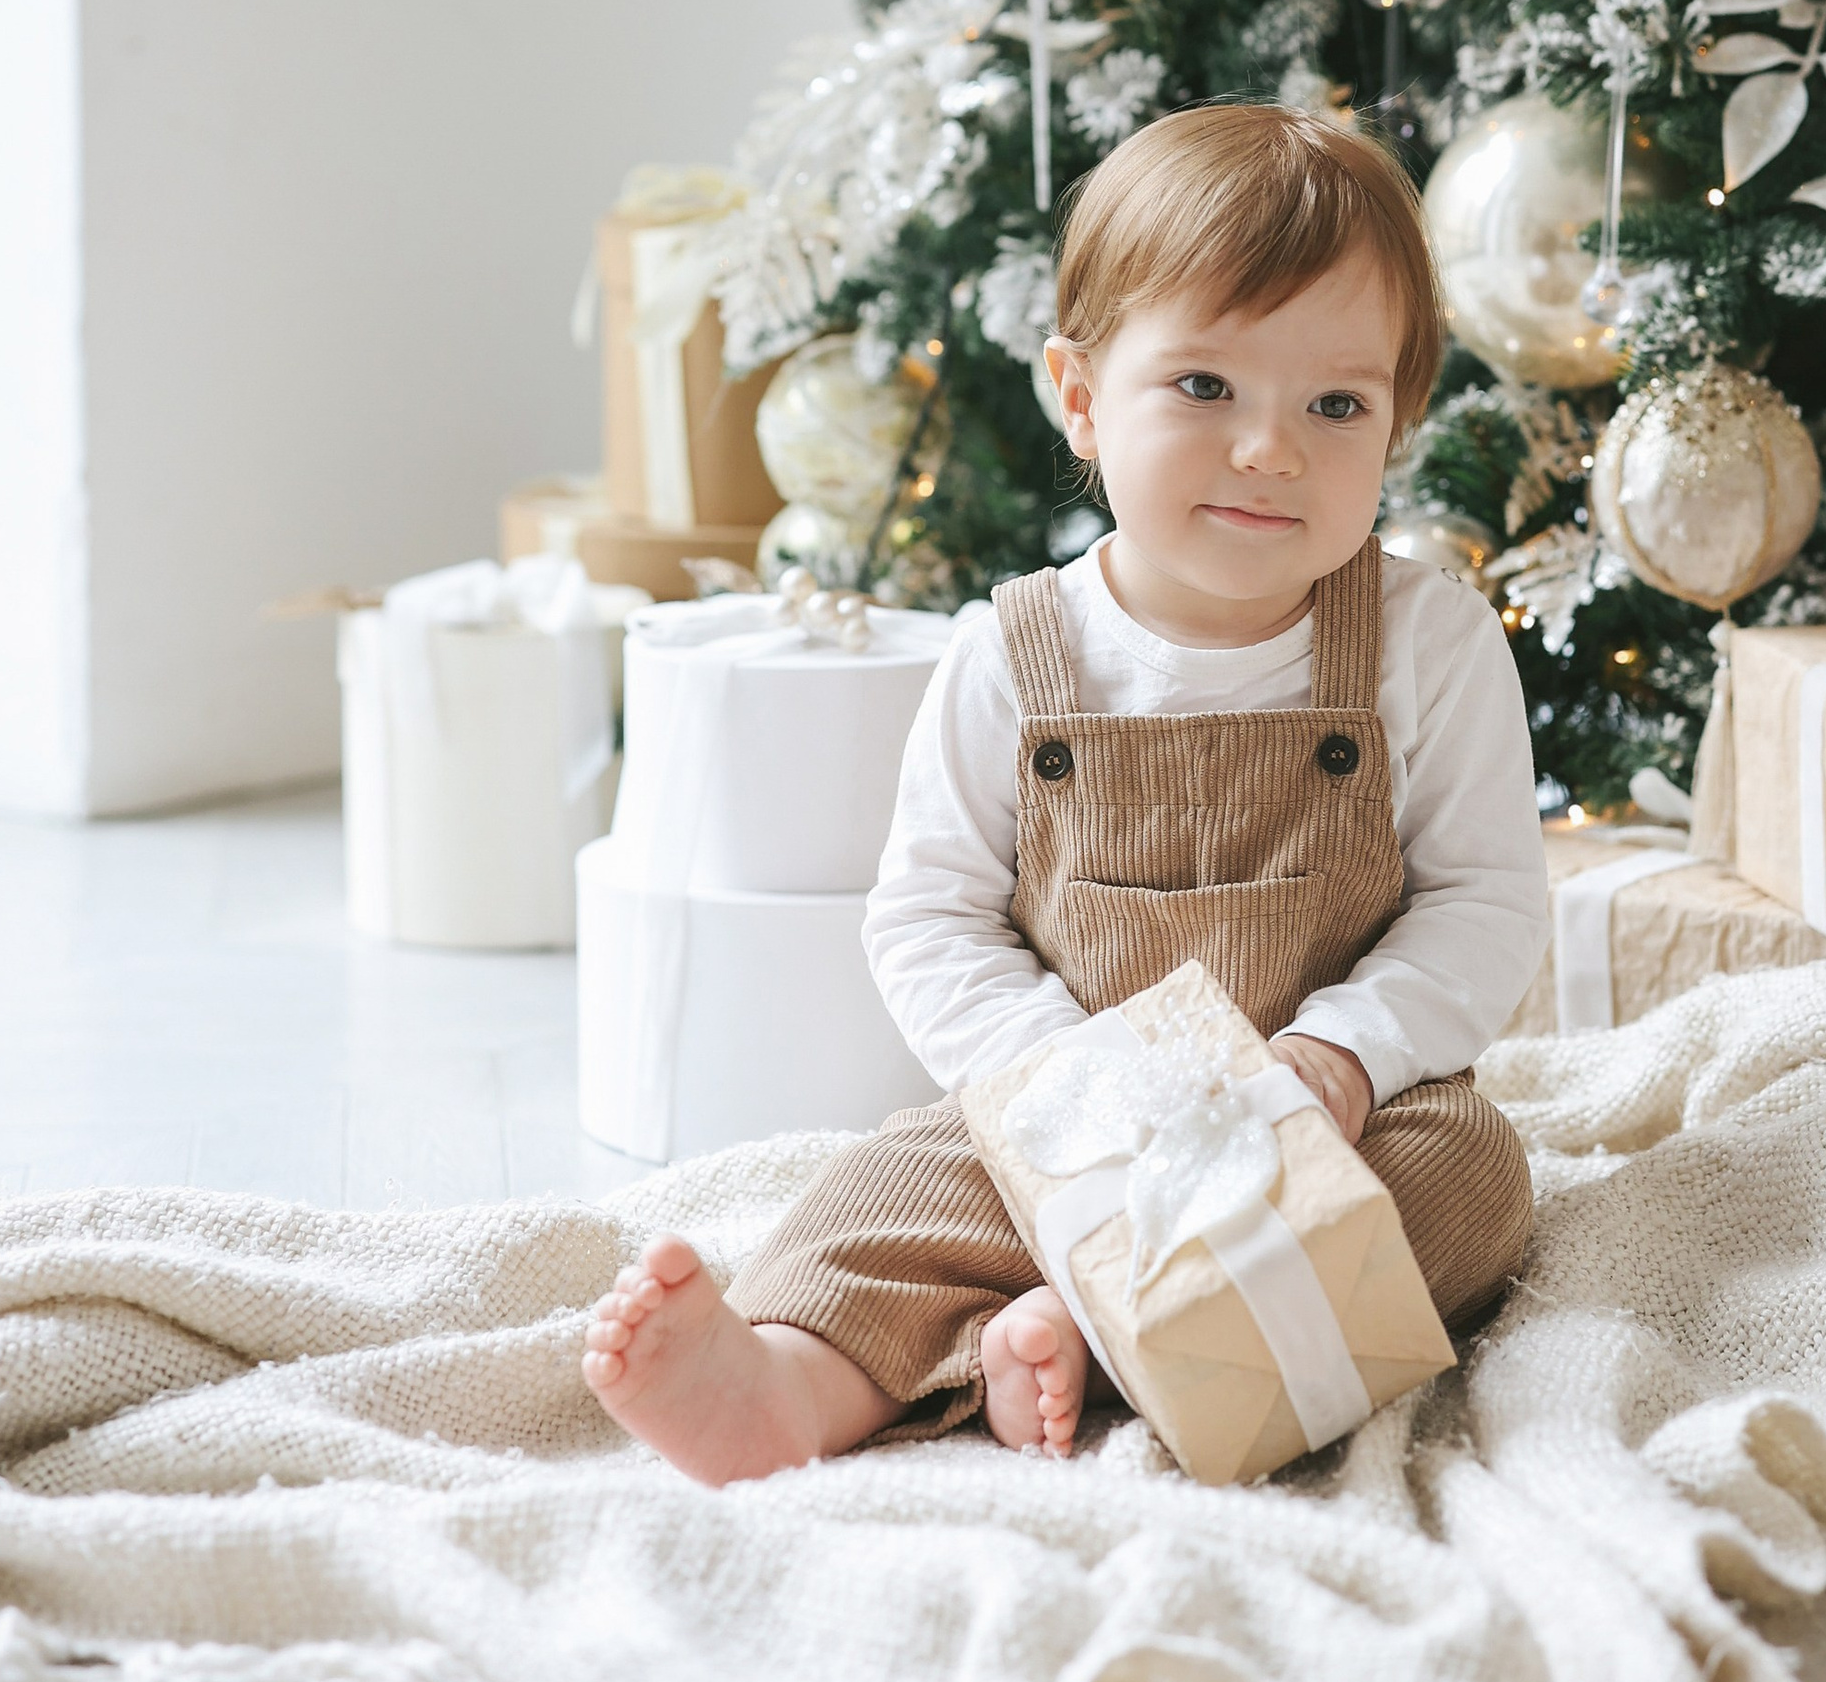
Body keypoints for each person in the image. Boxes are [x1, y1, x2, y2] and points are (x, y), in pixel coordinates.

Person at [581, 102, 1550, 1481]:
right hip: (1068, 1117)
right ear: (1083, 397)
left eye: (1334, 404)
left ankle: (1093, 1342)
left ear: (1395, 419)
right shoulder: (1015, 652)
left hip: (1324, 1116)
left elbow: (1485, 901)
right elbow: (928, 915)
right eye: (1206, 388)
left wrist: (1343, 1053)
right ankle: (791, 1386)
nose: (1272, 448)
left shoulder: (1426, 642)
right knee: (894, 1186)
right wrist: (1065, 1085)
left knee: (1472, 1174)